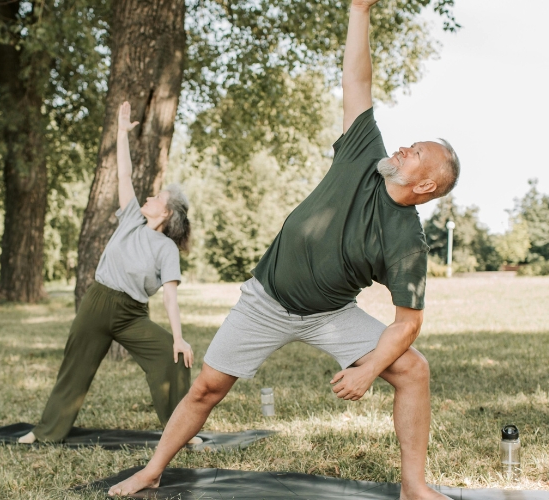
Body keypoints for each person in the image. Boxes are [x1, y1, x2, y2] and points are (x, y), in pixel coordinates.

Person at [109, 0, 460, 496]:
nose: (404, 148)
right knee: (208, 388)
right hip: (266, 299)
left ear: (425, 186)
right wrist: (359, 10)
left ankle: (413, 487)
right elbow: (357, 82)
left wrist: (371, 370)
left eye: (417, 153)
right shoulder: (365, 152)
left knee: (413, 369)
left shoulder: (407, 241)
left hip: (330, 314)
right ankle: (150, 471)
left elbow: (408, 322)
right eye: (411, 143)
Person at [18, 101, 194, 444]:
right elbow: (124, 173)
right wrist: (121, 133)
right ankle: (46, 433)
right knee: (75, 367)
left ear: (167, 212)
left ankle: (181, 434)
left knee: (172, 357)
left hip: (131, 315)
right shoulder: (131, 217)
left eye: (157, 196)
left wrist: (178, 337)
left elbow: (170, 298)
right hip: (98, 303)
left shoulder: (166, 249)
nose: (149, 195)